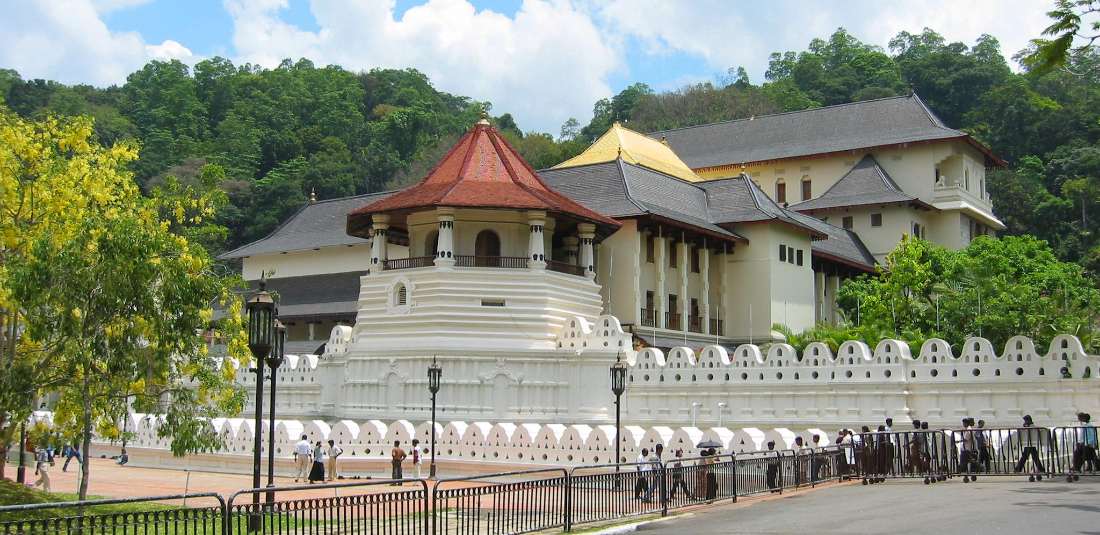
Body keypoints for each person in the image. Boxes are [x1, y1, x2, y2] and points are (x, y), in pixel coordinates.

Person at [1014, 415, 1047, 479]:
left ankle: (1018, 468)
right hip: (1031, 443)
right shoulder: (1034, 428)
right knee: (1033, 455)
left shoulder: (1025, 428)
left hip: (1028, 443)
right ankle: (1040, 468)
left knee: (1026, 456)